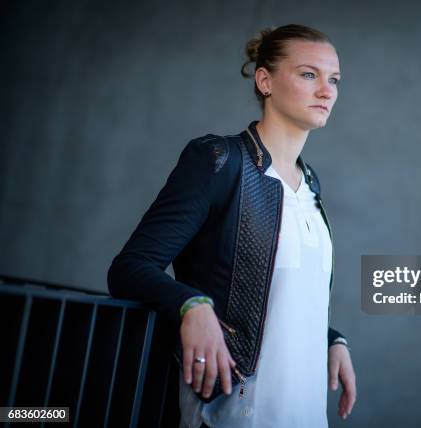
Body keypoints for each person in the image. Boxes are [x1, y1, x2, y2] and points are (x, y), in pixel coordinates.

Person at [107, 24, 356, 427]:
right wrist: (192, 305)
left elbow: (277, 295)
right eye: (309, 74)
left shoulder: (310, 184)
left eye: (335, 79)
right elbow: (130, 268)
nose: (327, 91)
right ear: (265, 80)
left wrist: (330, 339)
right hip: (233, 412)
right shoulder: (219, 161)